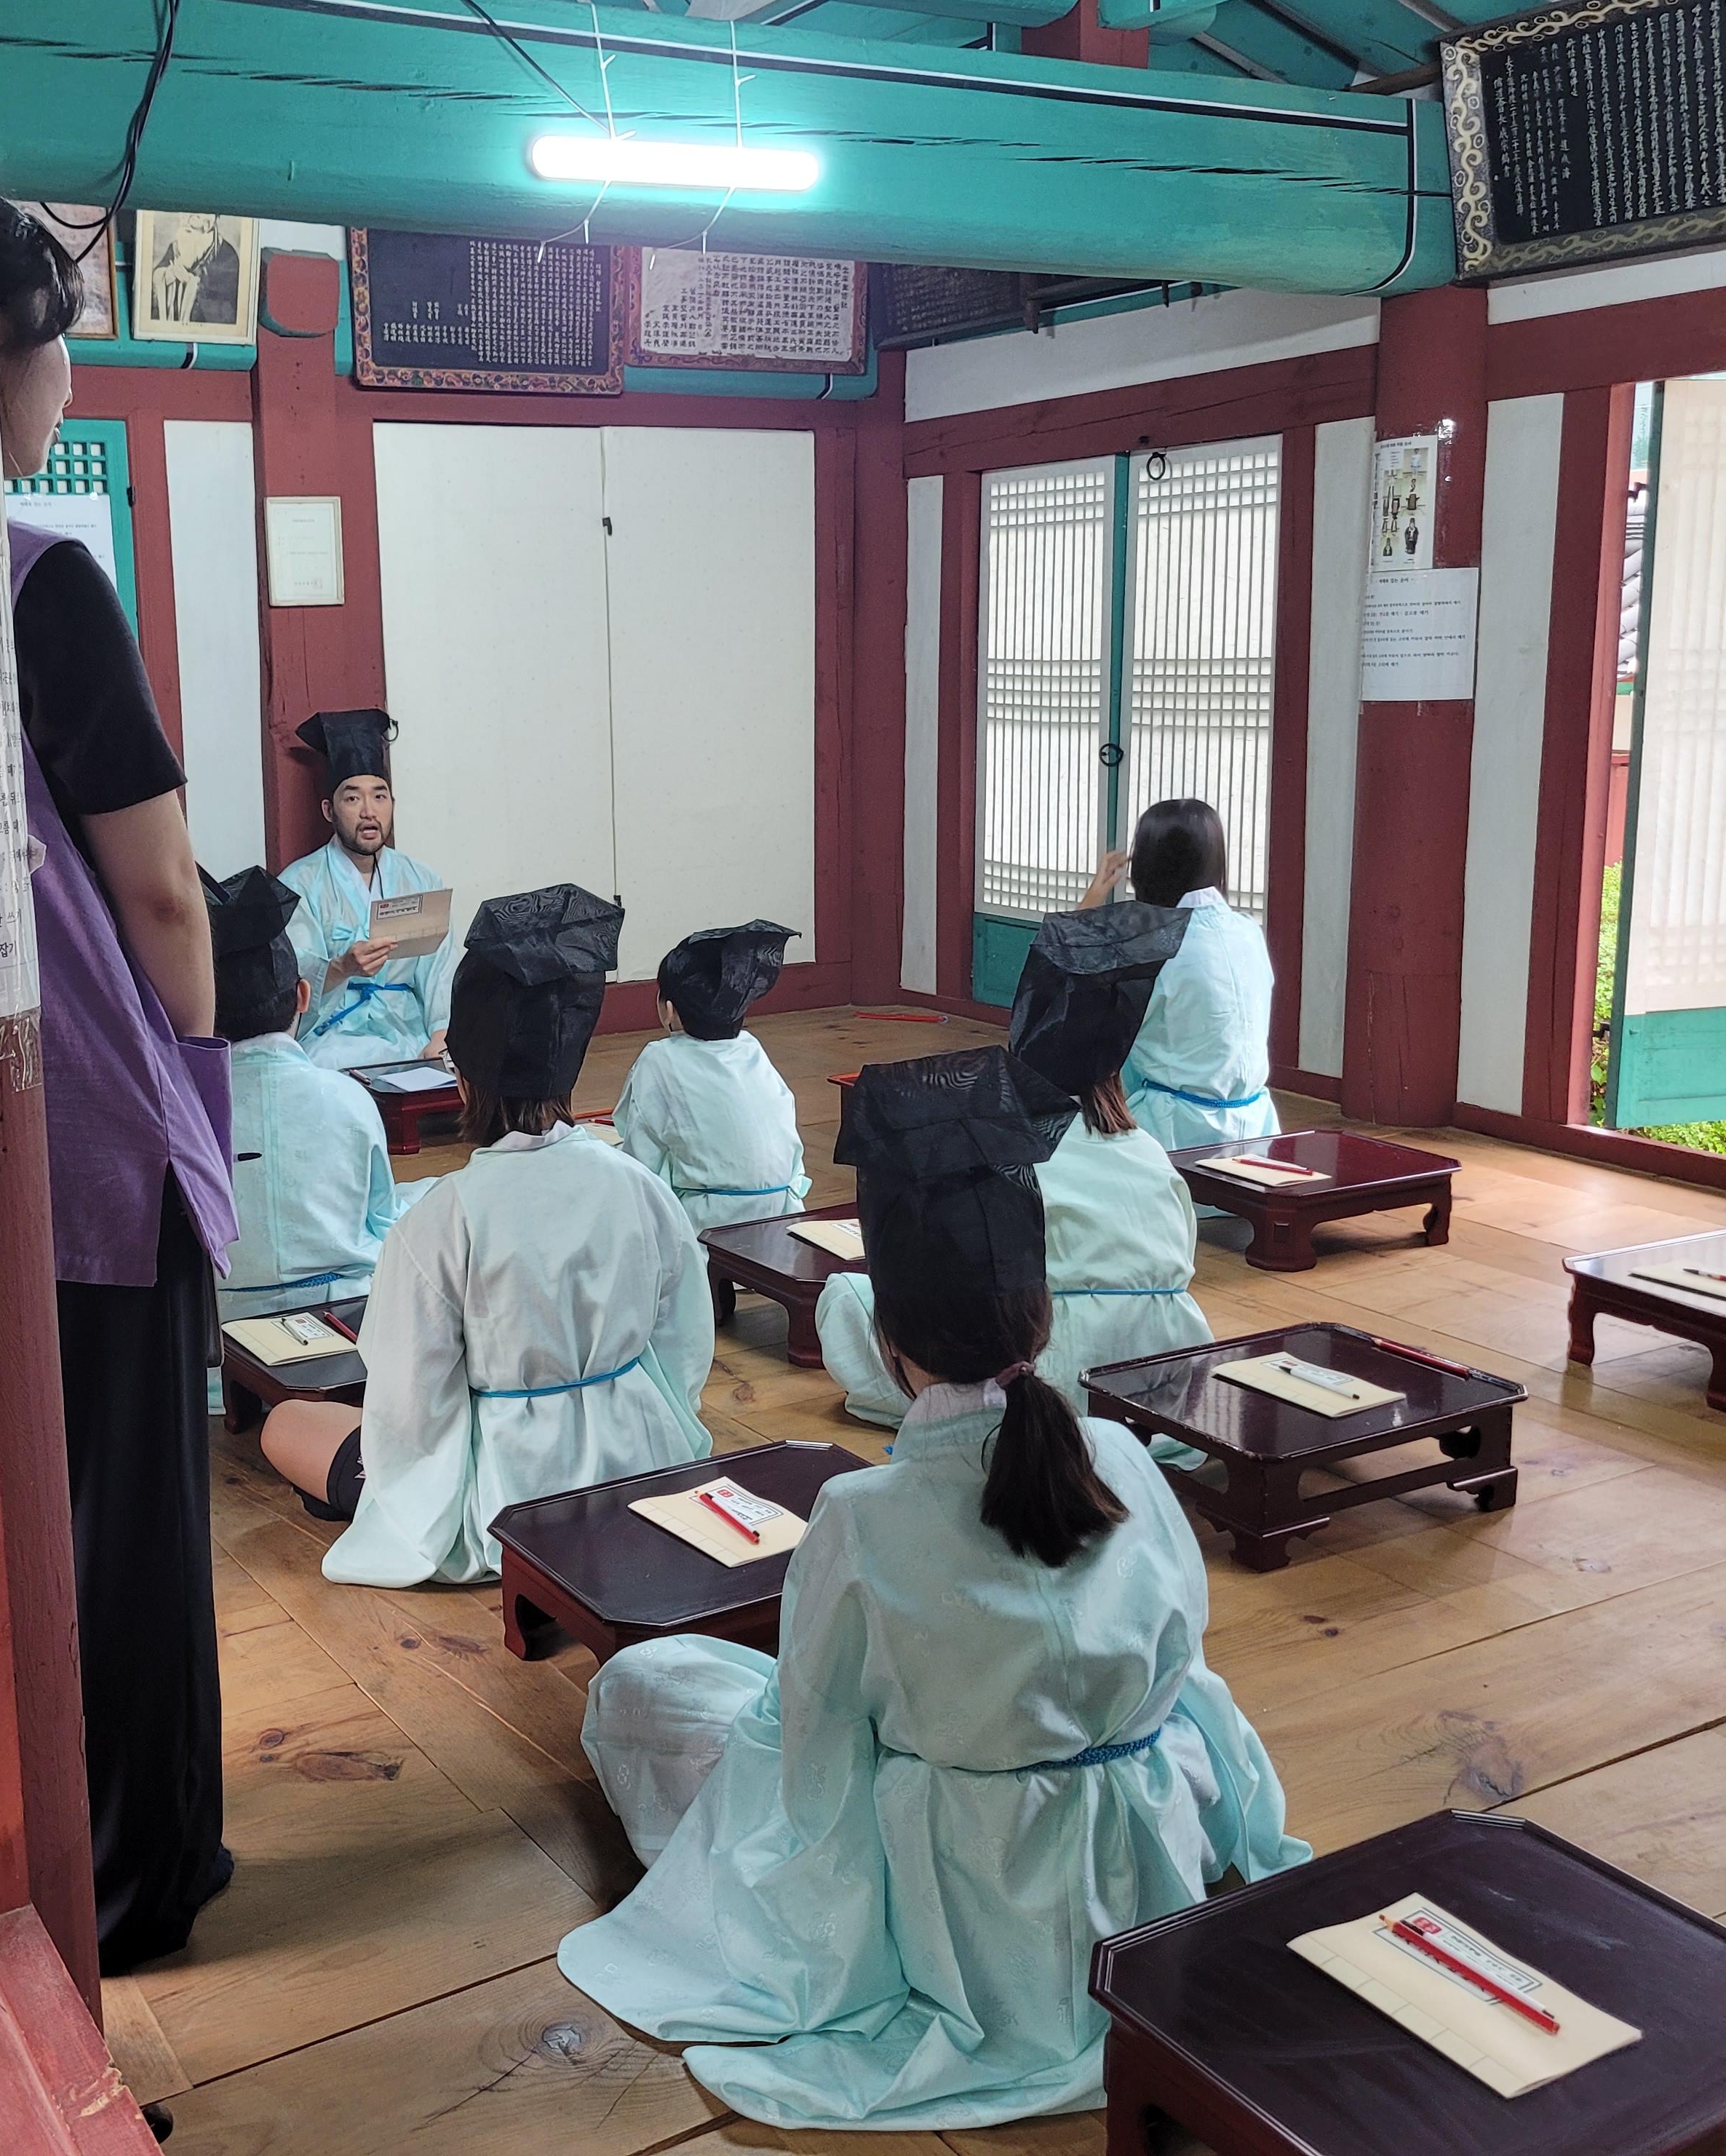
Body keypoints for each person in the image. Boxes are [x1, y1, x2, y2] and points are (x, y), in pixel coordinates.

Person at [557, 1048, 1307, 2133]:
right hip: (1144, 1853)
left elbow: (816, 1747)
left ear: (887, 1343)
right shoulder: (1122, 1458)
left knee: (652, 1684)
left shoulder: (863, 1515)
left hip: (963, 1883)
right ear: (1043, 1316)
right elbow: (1184, 1665)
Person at [0, 197, 237, 1979]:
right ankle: (136, 1879)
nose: (68, 378)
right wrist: (201, 1061)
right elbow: (160, 894)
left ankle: (11, 1849)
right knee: (129, 1523)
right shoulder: (39, 578)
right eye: (54, 340)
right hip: (88, 1125)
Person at [256, 885, 716, 1586]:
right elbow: (684, 1345)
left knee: (287, 1423)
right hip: (639, 1467)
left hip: (502, 1501)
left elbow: (410, 1403)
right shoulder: (639, 1186)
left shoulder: (442, 1219)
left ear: (461, 1081)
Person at [817, 902, 1211, 1447]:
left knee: (848, 1298)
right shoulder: (1146, 1150)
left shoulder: (1008, 1149)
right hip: (1164, 1379)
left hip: (1045, 1365)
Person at [204, 864, 432, 1329]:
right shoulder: (349, 1098)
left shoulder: (188, 1111)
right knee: (431, 1196)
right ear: (304, 995)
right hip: (346, 1317)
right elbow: (382, 1220)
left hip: (221, 1327)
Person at [1083, 798, 1281, 1149]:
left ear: (1146, 867)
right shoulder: (1248, 930)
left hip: (1173, 1129)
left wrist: (1093, 898)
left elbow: (1065, 987)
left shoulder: (1151, 946)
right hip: (1257, 1127)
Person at [278, 709, 457, 1073]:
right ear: (329, 810)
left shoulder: (421, 880)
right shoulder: (298, 885)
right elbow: (289, 982)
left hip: (409, 1038)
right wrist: (341, 968)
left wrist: (441, 1034)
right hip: (332, 1041)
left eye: (379, 797)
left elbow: (441, 973)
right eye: (352, 799)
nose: (368, 812)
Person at [615, 920, 810, 1235]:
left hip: (712, 1226)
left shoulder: (660, 1058)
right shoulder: (751, 1048)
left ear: (668, 1009)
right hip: (785, 1217)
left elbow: (641, 1164)